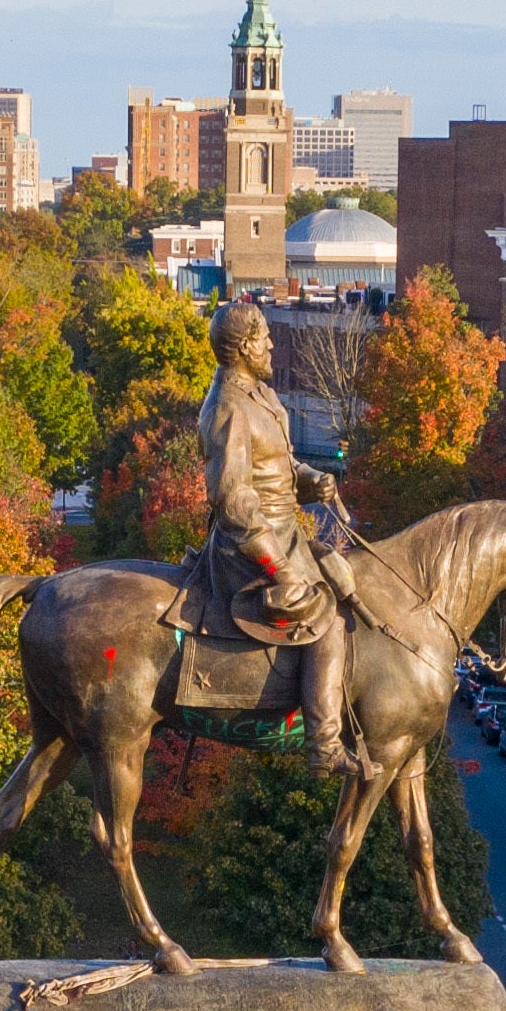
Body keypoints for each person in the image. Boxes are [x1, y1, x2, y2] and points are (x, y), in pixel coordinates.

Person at [191, 300, 356, 778]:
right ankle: (324, 744)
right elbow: (233, 499)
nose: (271, 344)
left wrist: (312, 480)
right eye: (264, 338)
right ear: (244, 347)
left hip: (287, 532)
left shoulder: (259, 395)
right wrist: (277, 567)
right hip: (249, 546)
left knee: (347, 579)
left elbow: (276, 467)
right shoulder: (227, 407)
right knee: (325, 617)